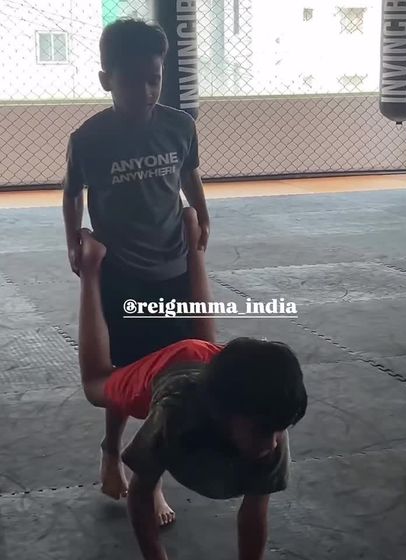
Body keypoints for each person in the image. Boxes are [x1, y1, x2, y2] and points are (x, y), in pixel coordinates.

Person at [77, 209, 308, 559]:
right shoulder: (174, 412)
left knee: (204, 342)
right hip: (167, 370)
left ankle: (193, 244)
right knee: (95, 385)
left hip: (209, 359)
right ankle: (91, 268)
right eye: (263, 433)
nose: (271, 443)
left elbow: (255, 512)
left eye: (277, 431)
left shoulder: (271, 421)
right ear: (223, 414)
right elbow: (140, 494)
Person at [62, 18, 213, 500]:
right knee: (124, 373)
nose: (145, 91)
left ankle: (150, 471)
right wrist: (73, 239)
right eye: (131, 81)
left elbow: (189, 175)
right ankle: (111, 452)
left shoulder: (179, 125)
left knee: (172, 372)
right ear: (106, 79)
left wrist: (202, 212)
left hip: (172, 265)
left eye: (154, 79)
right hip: (121, 271)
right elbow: (71, 192)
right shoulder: (89, 138)